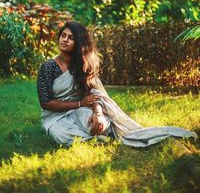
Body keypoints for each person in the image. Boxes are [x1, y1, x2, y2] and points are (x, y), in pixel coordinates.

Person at [37, 21, 197, 147]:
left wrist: (97, 113)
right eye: (63, 36)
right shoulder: (48, 67)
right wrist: (79, 103)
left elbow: (94, 95)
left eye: (71, 38)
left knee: (103, 125)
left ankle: (95, 136)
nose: (65, 40)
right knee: (62, 135)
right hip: (55, 116)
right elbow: (46, 103)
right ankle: (94, 140)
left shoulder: (82, 65)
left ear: (79, 43)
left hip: (79, 110)